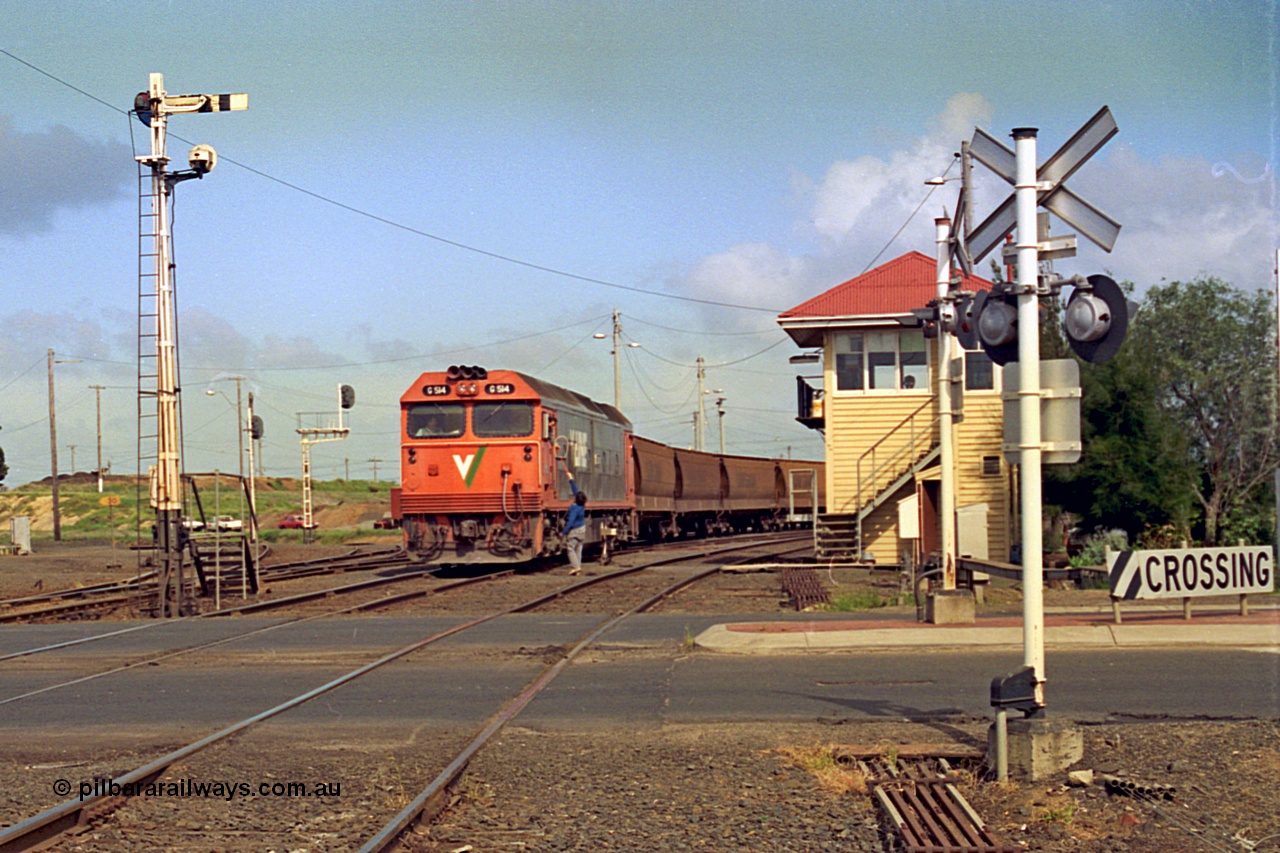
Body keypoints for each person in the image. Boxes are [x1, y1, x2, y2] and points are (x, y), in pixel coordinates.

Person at [560, 458, 587, 575]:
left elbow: (570, 522)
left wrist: (563, 532)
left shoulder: (574, 509)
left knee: (570, 548)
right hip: (582, 529)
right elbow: (576, 490)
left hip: (575, 530)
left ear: (576, 499)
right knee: (579, 549)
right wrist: (570, 478)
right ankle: (578, 567)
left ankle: (575, 567)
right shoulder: (581, 505)